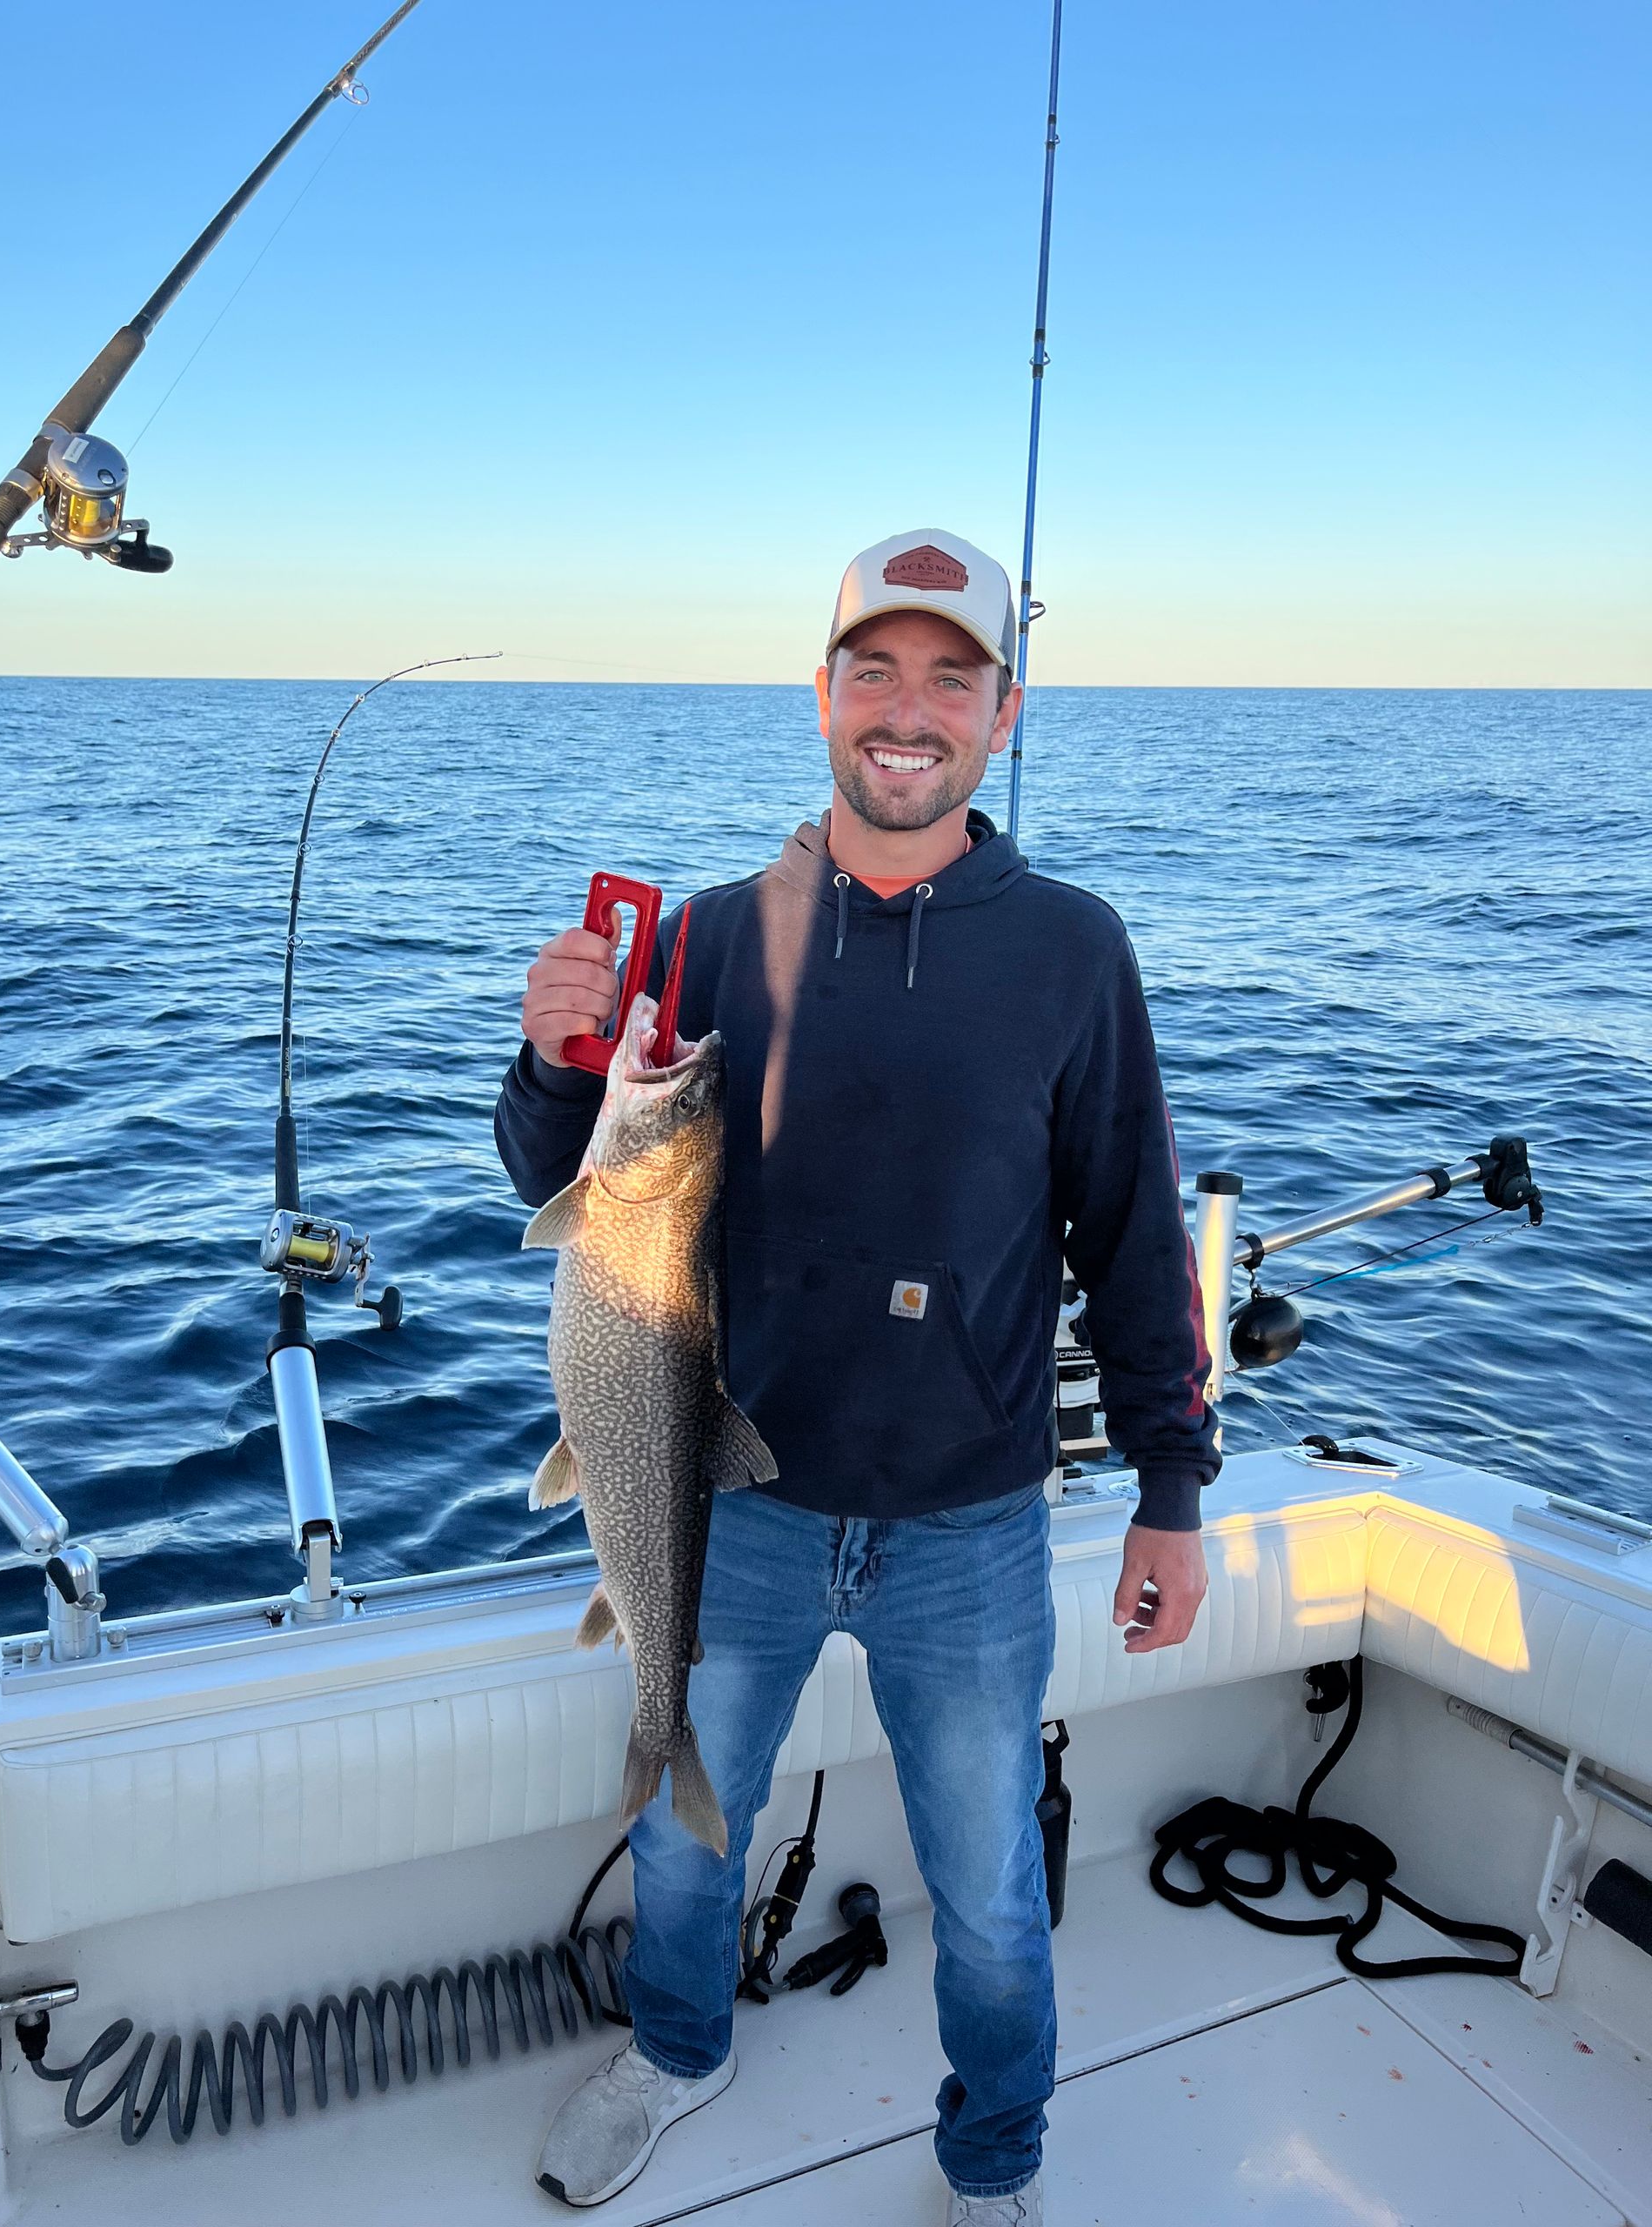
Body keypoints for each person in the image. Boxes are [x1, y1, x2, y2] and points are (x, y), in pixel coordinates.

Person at [494, 529, 1218, 2225]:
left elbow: (1132, 1231)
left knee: (991, 1888)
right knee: (682, 1832)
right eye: (875, 670)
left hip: (969, 1522)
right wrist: (551, 1058)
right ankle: (679, 2050)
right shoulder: (705, 935)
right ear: (821, 695)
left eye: (952, 678)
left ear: (1004, 713)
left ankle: (994, 2159)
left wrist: (1171, 1489)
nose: (910, 710)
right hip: (724, 1497)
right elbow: (557, 1177)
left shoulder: (1072, 948)